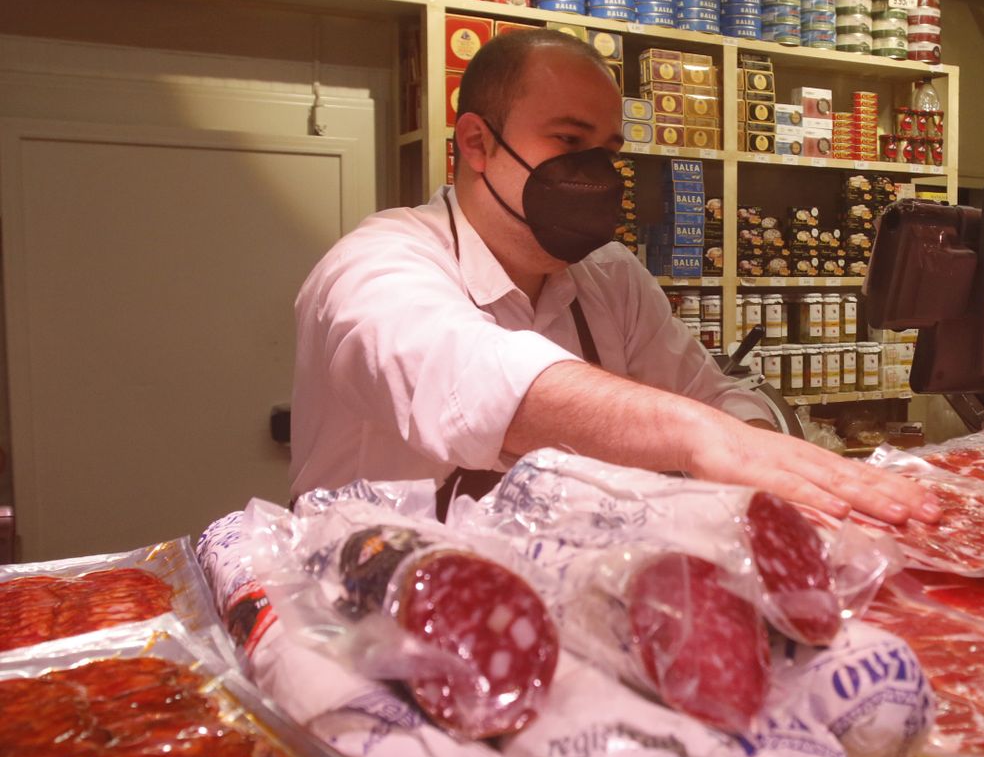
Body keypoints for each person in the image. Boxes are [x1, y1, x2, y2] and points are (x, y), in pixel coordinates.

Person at [290, 29, 939, 525]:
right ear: (477, 144)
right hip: (369, 627)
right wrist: (695, 437)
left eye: (607, 152)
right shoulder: (373, 267)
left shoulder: (608, 276)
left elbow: (711, 395)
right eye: (569, 143)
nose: (596, 174)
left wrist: (757, 451)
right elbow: (474, 380)